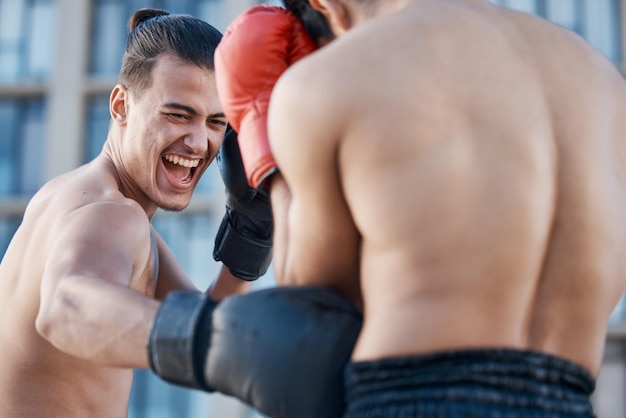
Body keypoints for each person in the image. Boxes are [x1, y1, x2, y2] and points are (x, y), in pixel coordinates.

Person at [147, 1, 626, 417]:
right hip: (573, 398)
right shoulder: (603, 80)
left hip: (405, 394)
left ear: (327, 6)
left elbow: (316, 318)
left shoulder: (333, 78)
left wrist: (278, 183)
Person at [0, 8, 266, 417]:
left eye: (216, 122)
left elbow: (211, 341)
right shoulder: (110, 214)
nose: (199, 142)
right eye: (178, 114)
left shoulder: (77, 199)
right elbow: (64, 308)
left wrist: (250, 232)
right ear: (121, 105)